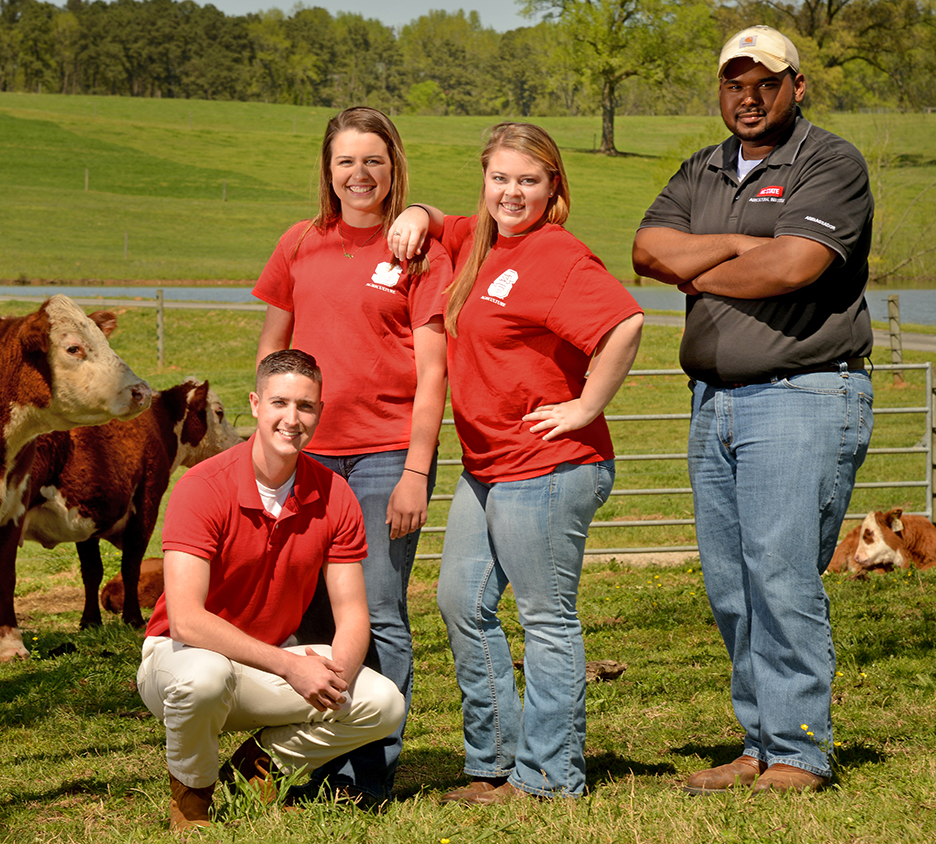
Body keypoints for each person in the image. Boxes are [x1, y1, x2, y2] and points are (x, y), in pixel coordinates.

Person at [631, 25, 875, 794]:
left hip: (801, 393)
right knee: (733, 582)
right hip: (715, 401)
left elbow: (796, 265)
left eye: (765, 82)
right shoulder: (701, 167)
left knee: (781, 575)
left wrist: (703, 263)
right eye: (735, 82)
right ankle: (758, 742)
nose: (748, 95)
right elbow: (645, 252)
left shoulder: (830, 162)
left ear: (796, 88)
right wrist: (744, 242)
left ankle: (800, 752)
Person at [387, 122, 643, 801]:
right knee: (459, 604)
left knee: (545, 620)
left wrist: (585, 406)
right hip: (489, 466)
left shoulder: (555, 255)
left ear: (554, 185)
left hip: (549, 466)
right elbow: (441, 221)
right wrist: (417, 213)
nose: (512, 192)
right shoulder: (481, 239)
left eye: (529, 180)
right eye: (500, 177)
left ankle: (551, 777)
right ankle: (496, 764)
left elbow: (625, 323)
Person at [252, 106, 451, 800]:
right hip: (306, 459)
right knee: (304, 613)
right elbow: (272, 356)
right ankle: (306, 764)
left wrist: (417, 472)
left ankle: (368, 772)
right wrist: (267, 447)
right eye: (345, 161)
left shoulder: (420, 252)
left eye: (373, 160)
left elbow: (433, 373)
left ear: (394, 167)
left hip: (385, 457)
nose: (358, 174)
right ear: (327, 169)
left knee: (377, 608)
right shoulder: (299, 242)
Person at [136, 349, 406, 832]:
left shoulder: (334, 494)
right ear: (257, 404)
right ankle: (192, 798)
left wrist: (335, 679)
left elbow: (352, 613)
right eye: (280, 403)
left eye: (305, 406)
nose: (292, 418)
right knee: (204, 677)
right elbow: (186, 620)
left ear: (319, 412)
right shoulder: (203, 486)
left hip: (267, 665)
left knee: (383, 703)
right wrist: (291, 667)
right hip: (179, 658)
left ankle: (256, 767)